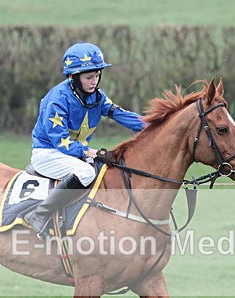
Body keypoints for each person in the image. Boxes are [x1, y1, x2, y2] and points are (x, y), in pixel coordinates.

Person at [25, 41, 146, 237]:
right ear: (73, 77)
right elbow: (61, 143)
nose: (94, 81)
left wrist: (156, 126)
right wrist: (92, 152)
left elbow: (121, 115)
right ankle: (39, 215)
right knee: (86, 173)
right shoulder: (57, 99)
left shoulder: (96, 96)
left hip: (73, 154)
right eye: (89, 77)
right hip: (48, 153)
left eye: (97, 76)